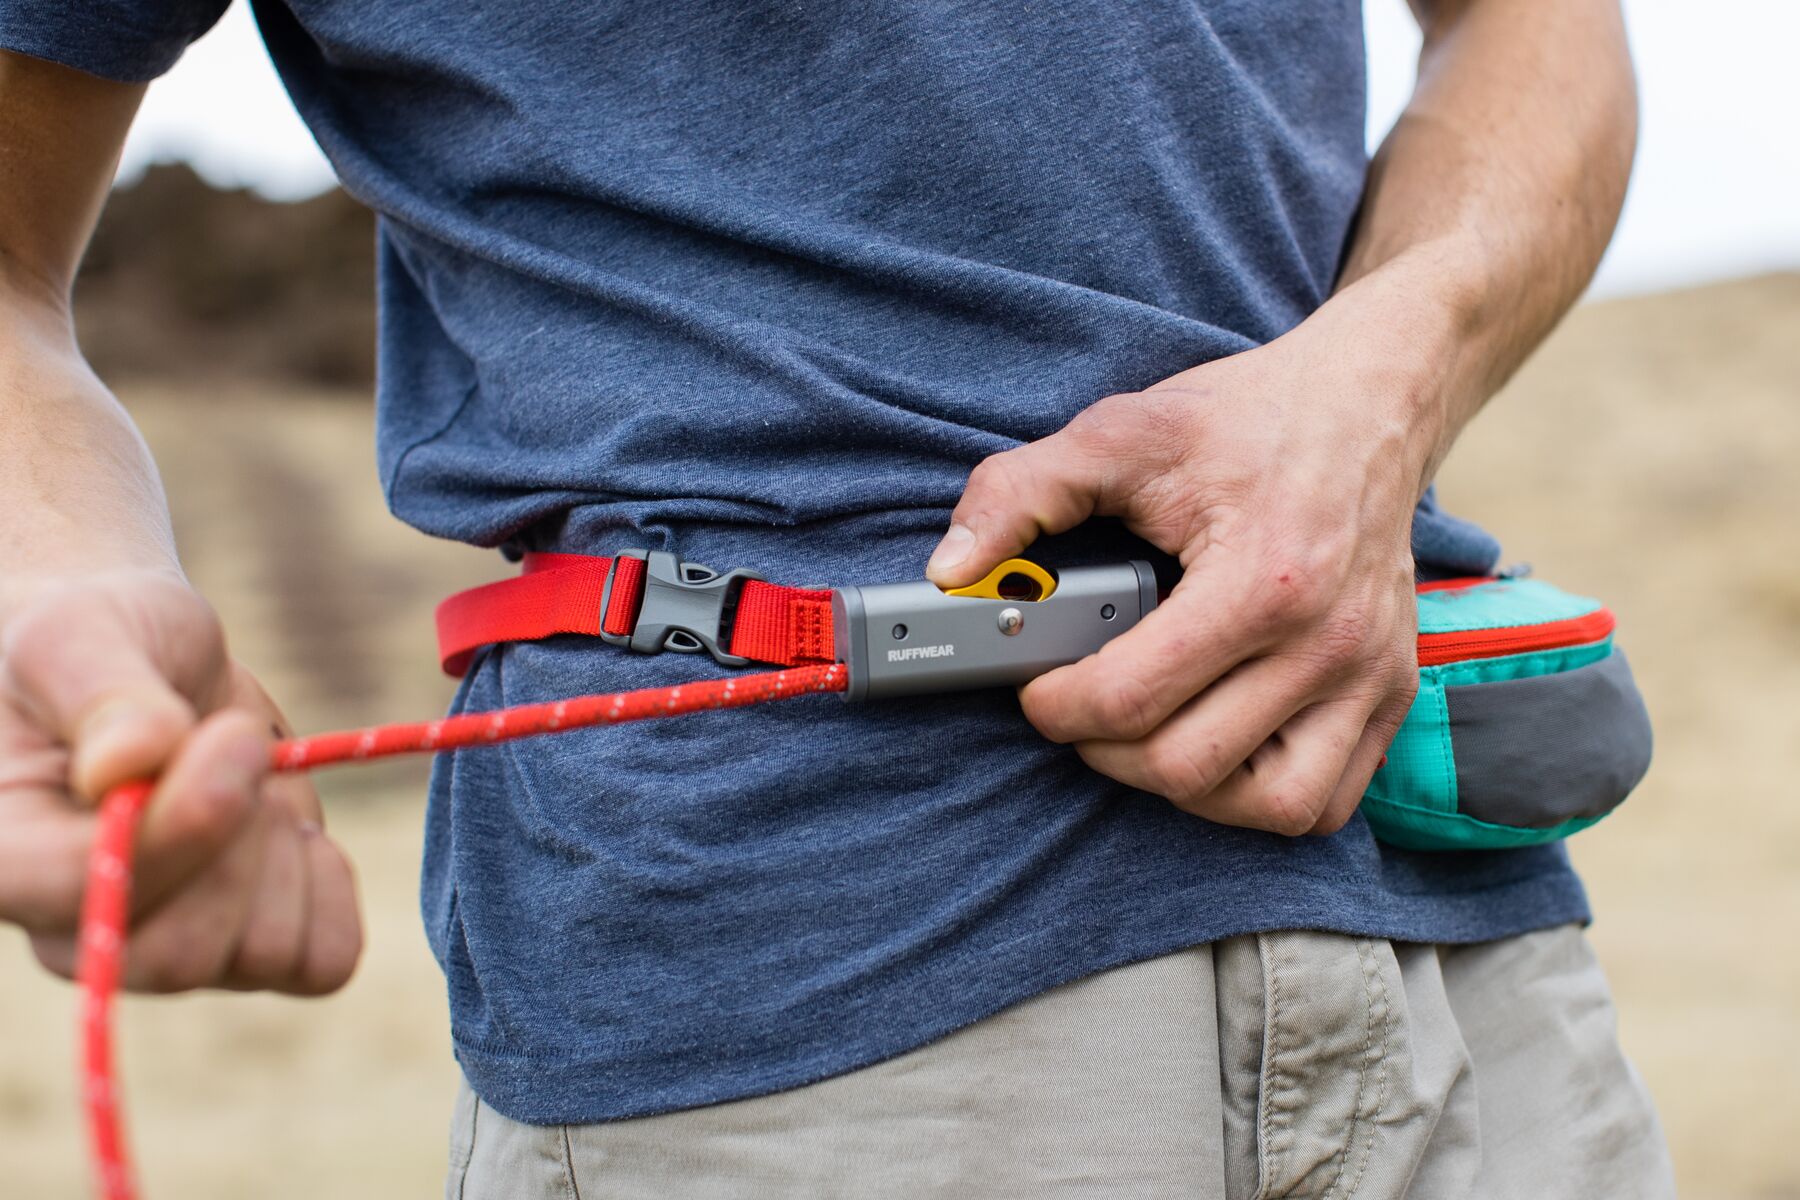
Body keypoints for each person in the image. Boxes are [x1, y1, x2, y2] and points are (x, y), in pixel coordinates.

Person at [0, 0, 1674, 1195]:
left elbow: (1538, 26)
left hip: (1468, 936)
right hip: (805, 1013)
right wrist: (62, 579)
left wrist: (1390, 378)